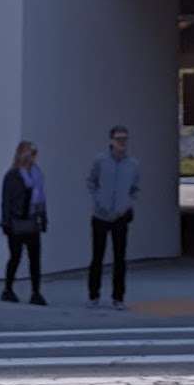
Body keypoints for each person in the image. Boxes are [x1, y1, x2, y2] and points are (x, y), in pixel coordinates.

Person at [86, 125, 140, 310]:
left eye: (124, 139)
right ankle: (93, 295)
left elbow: (135, 188)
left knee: (120, 258)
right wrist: (99, 201)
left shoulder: (132, 164)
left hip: (120, 216)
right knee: (97, 256)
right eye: (118, 139)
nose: (122, 142)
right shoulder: (100, 161)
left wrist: (127, 204)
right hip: (100, 215)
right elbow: (91, 182)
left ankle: (118, 297)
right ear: (111, 141)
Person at [0, 140, 48, 305]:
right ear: (22, 154)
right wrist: (6, 222)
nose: (33, 157)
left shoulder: (37, 173)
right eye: (30, 153)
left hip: (32, 221)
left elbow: (41, 197)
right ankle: (8, 289)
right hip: (16, 222)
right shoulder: (12, 175)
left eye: (34, 153)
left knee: (35, 259)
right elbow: (6, 201)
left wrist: (43, 217)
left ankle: (36, 292)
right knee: (15, 257)